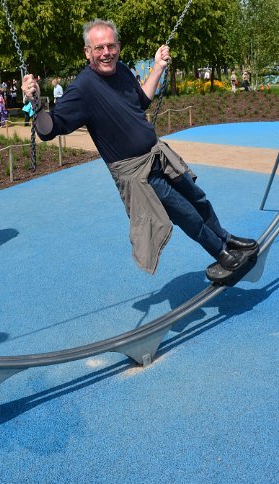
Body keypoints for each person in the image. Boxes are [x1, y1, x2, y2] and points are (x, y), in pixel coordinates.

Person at [22, 19, 258, 285]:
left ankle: (226, 238)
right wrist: (37, 104)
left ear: (118, 46)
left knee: (198, 198)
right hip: (137, 173)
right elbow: (49, 130)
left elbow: (141, 100)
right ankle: (221, 254)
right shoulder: (83, 87)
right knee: (185, 213)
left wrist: (158, 67)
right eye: (99, 48)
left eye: (111, 46)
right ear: (87, 52)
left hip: (159, 156)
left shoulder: (122, 70)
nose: (106, 53)